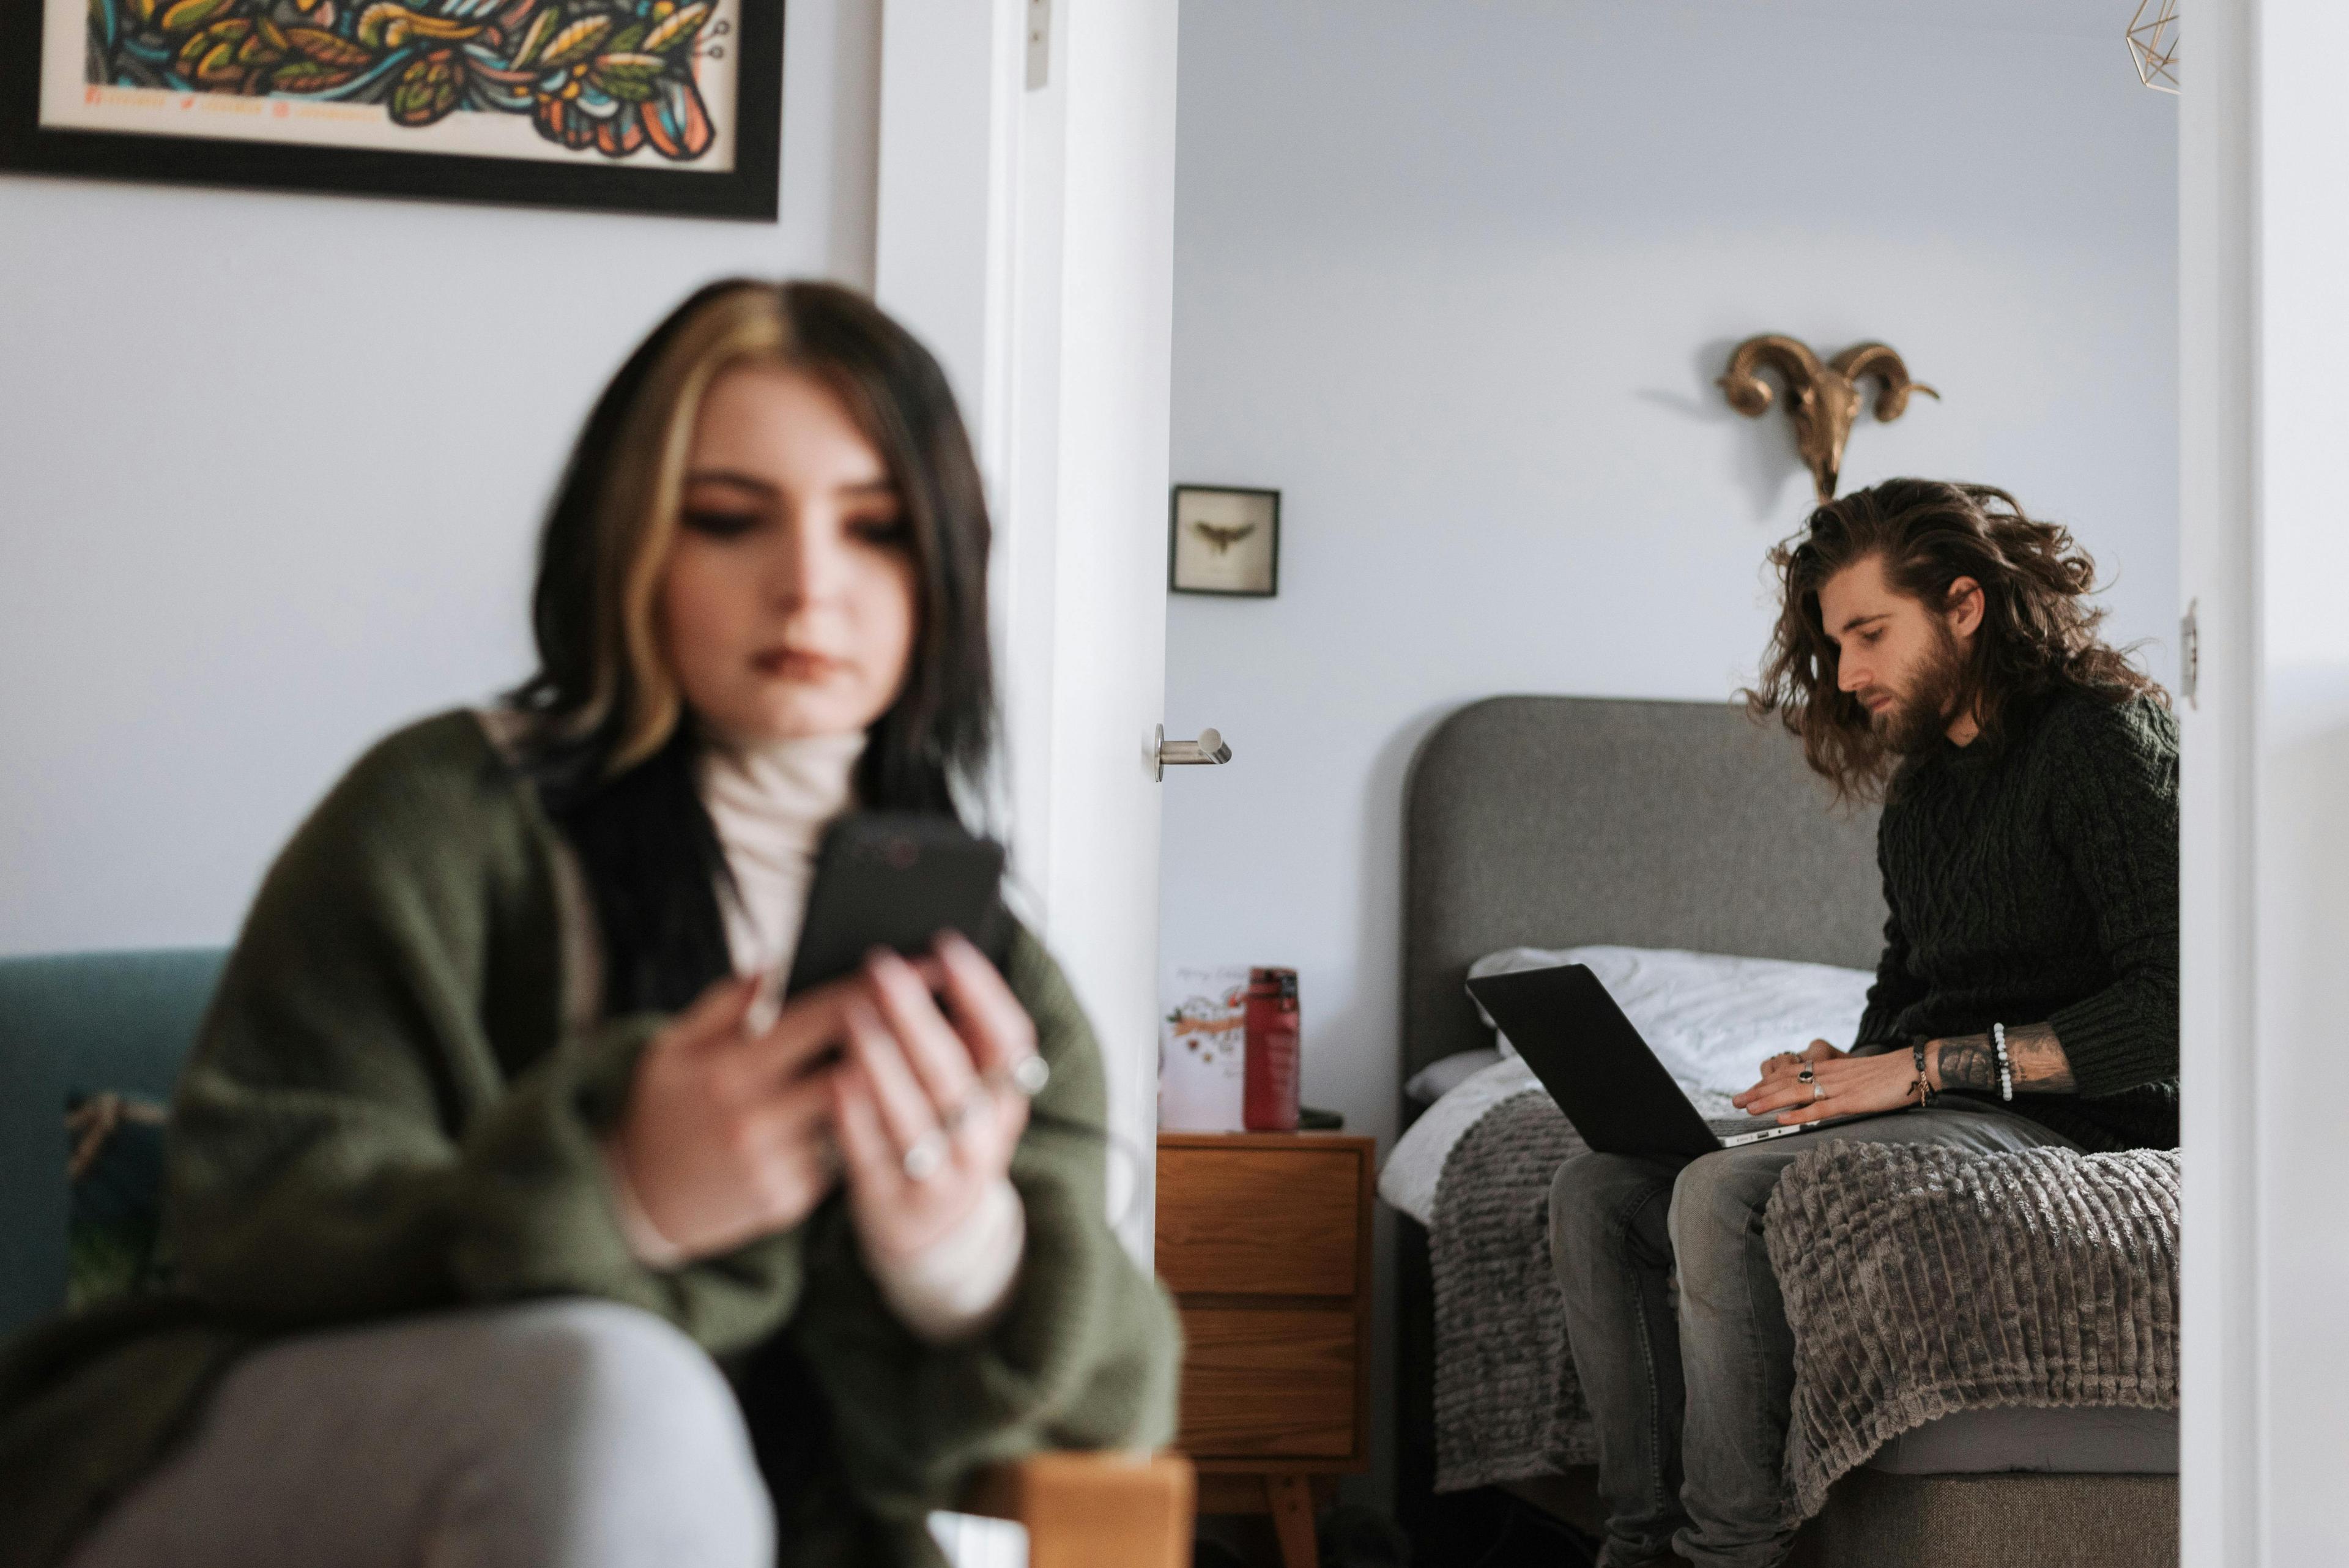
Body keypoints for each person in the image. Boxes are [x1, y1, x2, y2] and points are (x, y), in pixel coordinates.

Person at [0, 280, 1179, 1568]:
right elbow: (251, 1219)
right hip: (276, 1465)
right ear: (626, 539)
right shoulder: (442, 814)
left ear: (945, 564)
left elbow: (1117, 1414)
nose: (809, 587)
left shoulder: (981, 965)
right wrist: (620, 1197)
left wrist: (963, 1254)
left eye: (878, 529)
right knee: (625, 1392)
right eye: (730, 520)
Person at [1545, 479, 2178, 1568]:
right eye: (1836, 644)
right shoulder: (1925, 792)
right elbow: (1909, 987)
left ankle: (1728, 1553)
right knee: (1598, 1189)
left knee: (1722, 1192)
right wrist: (1843, 1065)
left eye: (1870, 633)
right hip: (1954, 1097)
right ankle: (1636, 1544)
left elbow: (2177, 1005)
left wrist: (1926, 1070)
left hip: (2088, 1119)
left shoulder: (2105, 742)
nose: (1848, 674)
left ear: (1966, 607)